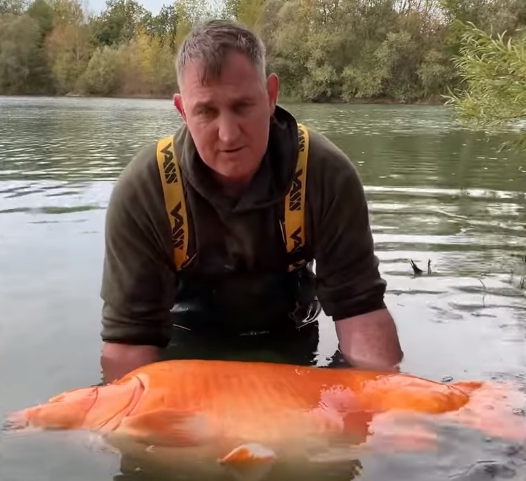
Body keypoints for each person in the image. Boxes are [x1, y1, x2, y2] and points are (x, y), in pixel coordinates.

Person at [98, 19, 404, 385]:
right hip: (186, 347)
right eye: (206, 111)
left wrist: (386, 401)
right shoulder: (145, 190)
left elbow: (361, 311)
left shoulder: (325, 174)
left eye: (242, 106)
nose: (227, 135)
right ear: (182, 110)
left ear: (271, 95)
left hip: (291, 342)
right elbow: (130, 343)